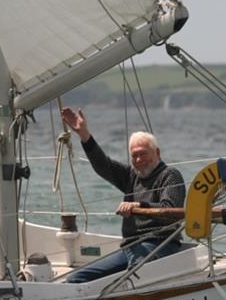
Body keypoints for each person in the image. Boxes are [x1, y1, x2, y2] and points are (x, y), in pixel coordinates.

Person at [61, 107, 186, 283]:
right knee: (76, 279)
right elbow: (103, 165)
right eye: (134, 156)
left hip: (161, 244)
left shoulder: (170, 175)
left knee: (134, 277)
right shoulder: (131, 176)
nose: (139, 160)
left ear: (157, 152)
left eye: (143, 154)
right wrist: (84, 134)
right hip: (131, 247)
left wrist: (138, 207)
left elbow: (171, 211)